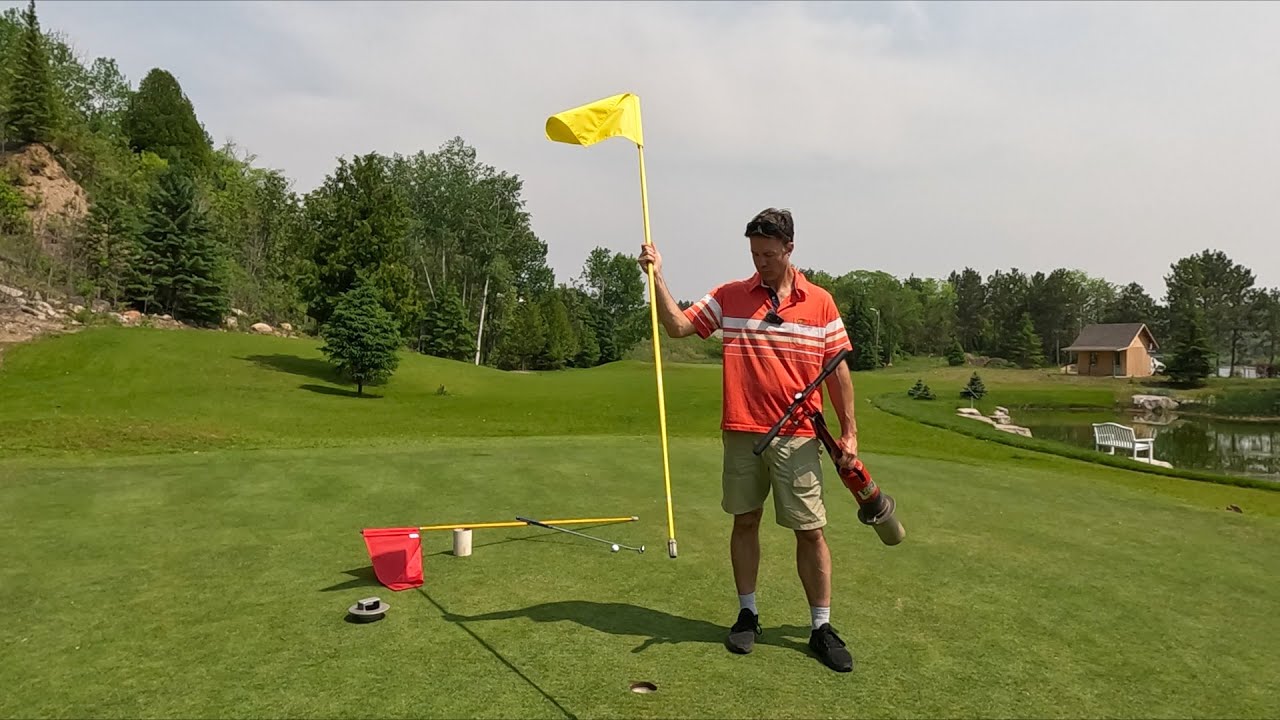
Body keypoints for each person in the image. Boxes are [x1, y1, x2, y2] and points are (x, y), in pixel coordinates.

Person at [637, 207, 858, 673]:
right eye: (755, 254)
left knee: (810, 530)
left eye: (769, 254)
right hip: (741, 431)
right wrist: (655, 276)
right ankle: (747, 613)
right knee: (745, 521)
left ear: (790, 248)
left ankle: (821, 626)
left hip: (799, 435)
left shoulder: (820, 302)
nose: (761, 262)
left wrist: (849, 432)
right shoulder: (731, 295)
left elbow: (838, 370)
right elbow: (678, 326)